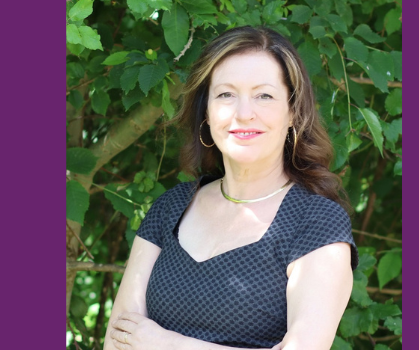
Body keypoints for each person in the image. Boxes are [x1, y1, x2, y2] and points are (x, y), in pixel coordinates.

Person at [104, 26, 358, 350]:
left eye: (263, 95)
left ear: (293, 111)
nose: (244, 113)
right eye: (226, 94)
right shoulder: (171, 208)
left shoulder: (316, 223)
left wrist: (164, 343)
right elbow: (117, 341)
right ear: (206, 113)